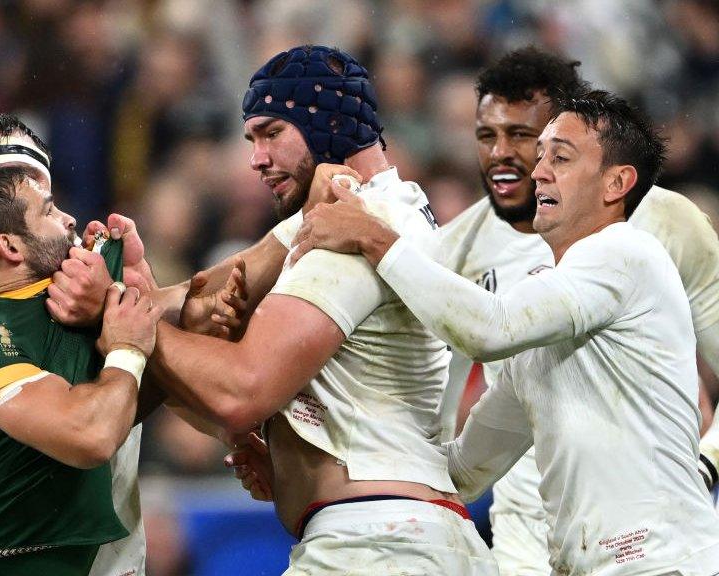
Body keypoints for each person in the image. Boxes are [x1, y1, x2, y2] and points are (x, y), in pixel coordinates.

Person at [291, 89, 719, 574]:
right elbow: (464, 470)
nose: (537, 172)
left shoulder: (626, 253)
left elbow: (487, 329)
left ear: (616, 183)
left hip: (666, 564)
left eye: (560, 157)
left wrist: (372, 236)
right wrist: (306, 456)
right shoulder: (543, 325)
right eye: (541, 158)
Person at [138, 45, 497, 574]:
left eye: (272, 133)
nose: (256, 159)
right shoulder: (369, 208)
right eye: (251, 139)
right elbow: (202, 295)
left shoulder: (349, 232)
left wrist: (133, 322)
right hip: (408, 534)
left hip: (376, 545)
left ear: (327, 126)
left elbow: (241, 389)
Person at [430, 47, 719, 575]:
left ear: (616, 181)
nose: (514, 160)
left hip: (653, 558)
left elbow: (491, 328)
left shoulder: (645, 238)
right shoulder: (456, 252)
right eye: (487, 136)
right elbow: (459, 456)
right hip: (537, 551)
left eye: (532, 141)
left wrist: (708, 459)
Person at [0, 160, 159, 575]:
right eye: (48, 211)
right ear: (10, 247)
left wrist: (138, 285)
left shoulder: (71, 298)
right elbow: (92, 435)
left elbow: (194, 314)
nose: (69, 219)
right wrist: (127, 350)